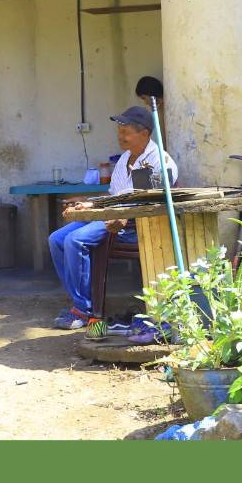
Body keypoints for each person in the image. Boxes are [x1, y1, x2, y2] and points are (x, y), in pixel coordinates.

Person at [48, 105, 178, 329]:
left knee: (75, 239)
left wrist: (114, 214)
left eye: (126, 132)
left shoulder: (159, 161)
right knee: (56, 239)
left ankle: (84, 310)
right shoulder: (125, 158)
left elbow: (145, 204)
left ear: (145, 133)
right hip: (112, 216)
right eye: (119, 132)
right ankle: (79, 301)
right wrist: (89, 204)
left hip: (134, 225)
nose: (121, 137)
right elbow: (114, 196)